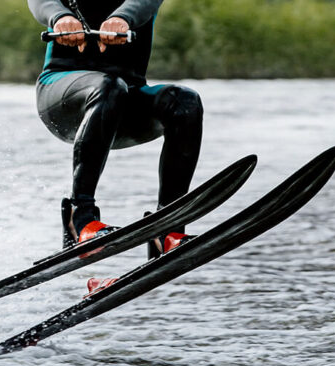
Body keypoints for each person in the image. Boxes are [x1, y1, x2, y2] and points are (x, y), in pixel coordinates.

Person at [28, 0, 203, 257]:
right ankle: (81, 218)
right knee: (109, 86)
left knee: (185, 102)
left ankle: (168, 227)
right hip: (61, 97)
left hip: (124, 103)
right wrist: (59, 16)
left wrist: (122, 18)